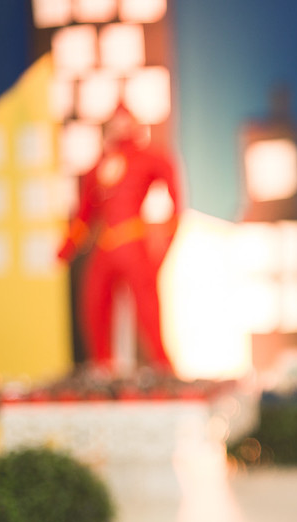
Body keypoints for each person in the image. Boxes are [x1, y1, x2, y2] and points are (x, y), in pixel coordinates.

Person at [58, 105, 180, 371]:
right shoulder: (101, 164)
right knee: (94, 302)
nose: (120, 125)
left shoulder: (147, 157)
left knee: (147, 309)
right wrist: (65, 250)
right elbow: (85, 215)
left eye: (124, 120)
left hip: (132, 241)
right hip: (105, 245)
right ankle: (103, 366)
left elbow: (174, 194)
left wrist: (168, 238)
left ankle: (163, 366)